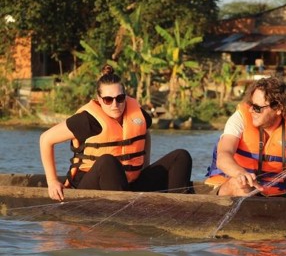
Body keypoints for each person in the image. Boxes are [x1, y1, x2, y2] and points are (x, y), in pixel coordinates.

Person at [40, 64, 193, 201]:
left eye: (119, 98)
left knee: (181, 156)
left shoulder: (137, 115)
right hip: (91, 185)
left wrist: (144, 166)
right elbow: (45, 139)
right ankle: (124, 211)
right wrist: (52, 181)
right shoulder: (86, 120)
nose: (115, 104)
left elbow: (144, 133)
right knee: (108, 161)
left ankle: (178, 205)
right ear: (99, 99)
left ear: (125, 97)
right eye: (108, 99)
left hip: (130, 184)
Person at [204, 76, 286, 199]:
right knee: (241, 186)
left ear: (278, 108)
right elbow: (223, 156)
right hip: (231, 189)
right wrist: (240, 173)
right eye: (251, 104)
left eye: (257, 108)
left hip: (275, 195)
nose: (251, 110)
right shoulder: (239, 119)